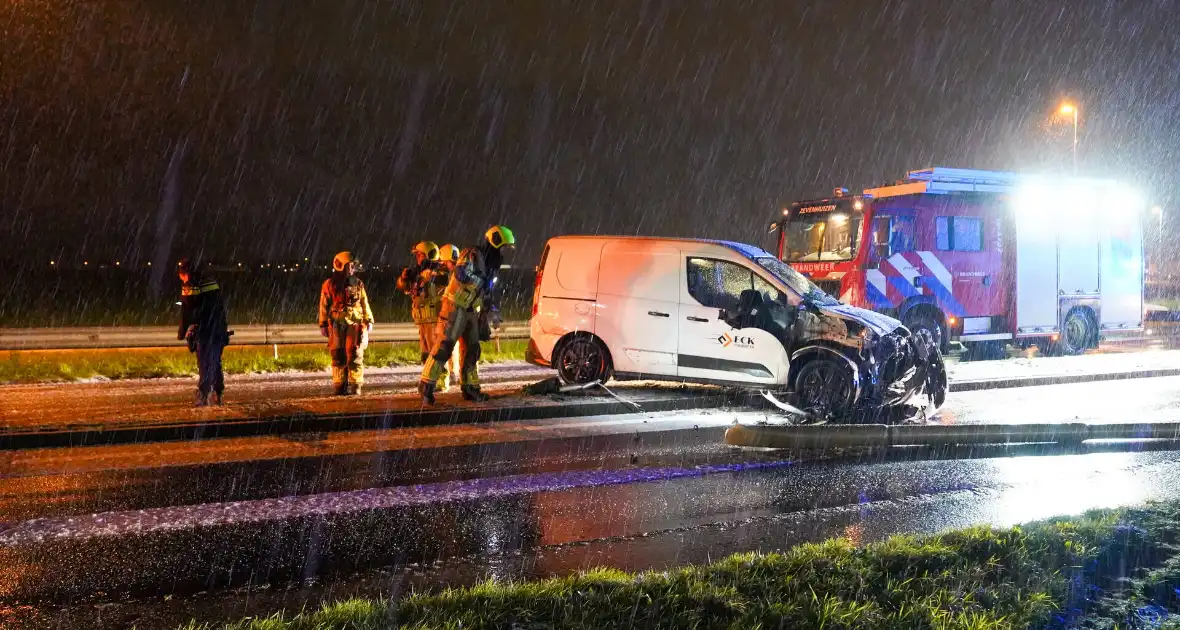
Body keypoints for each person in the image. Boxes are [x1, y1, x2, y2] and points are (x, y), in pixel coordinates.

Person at [419, 226, 515, 404]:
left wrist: (492, 310)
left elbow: (487, 292)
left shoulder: (491, 265)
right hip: (455, 307)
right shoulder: (472, 253)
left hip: (471, 310)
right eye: (503, 247)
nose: (504, 252)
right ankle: (427, 386)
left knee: (472, 350)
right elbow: (461, 273)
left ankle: (471, 388)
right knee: (444, 347)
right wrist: (481, 281)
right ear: (495, 242)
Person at [318, 251, 374, 395]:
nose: (353, 268)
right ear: (341, 266)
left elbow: (364, 302)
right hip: (336, 324)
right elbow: (323, 305)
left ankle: (356, 385)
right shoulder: (329, 284)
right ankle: (339, 385)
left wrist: (369, 320)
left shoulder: (358, 284)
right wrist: (323, 323)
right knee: (337, 355)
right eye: (350, 265)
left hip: (355, 323)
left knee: (355, 353)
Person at [177, 257, 230, 406]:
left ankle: (203, 394)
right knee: (215, 362)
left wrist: (182, 333)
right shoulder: (211, 282)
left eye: (180, 274)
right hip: (218, 327)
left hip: (204, 330)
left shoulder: (190, 285)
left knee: (204, 363)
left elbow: (186, 312)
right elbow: (220, 306)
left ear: (185, 273)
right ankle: (218, 393)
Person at [397, 241, 449, 390]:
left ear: (428, 255)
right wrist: (404, 278)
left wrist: (429, 276)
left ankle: (441, 381)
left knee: (437, 352)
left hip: (435, 319)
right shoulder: (417, 273)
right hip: (422, 320)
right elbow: (404, 288)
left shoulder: (441, 270)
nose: (417, 258)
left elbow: (445, 280)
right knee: (426, 354)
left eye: (420, 255)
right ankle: (429, 380)